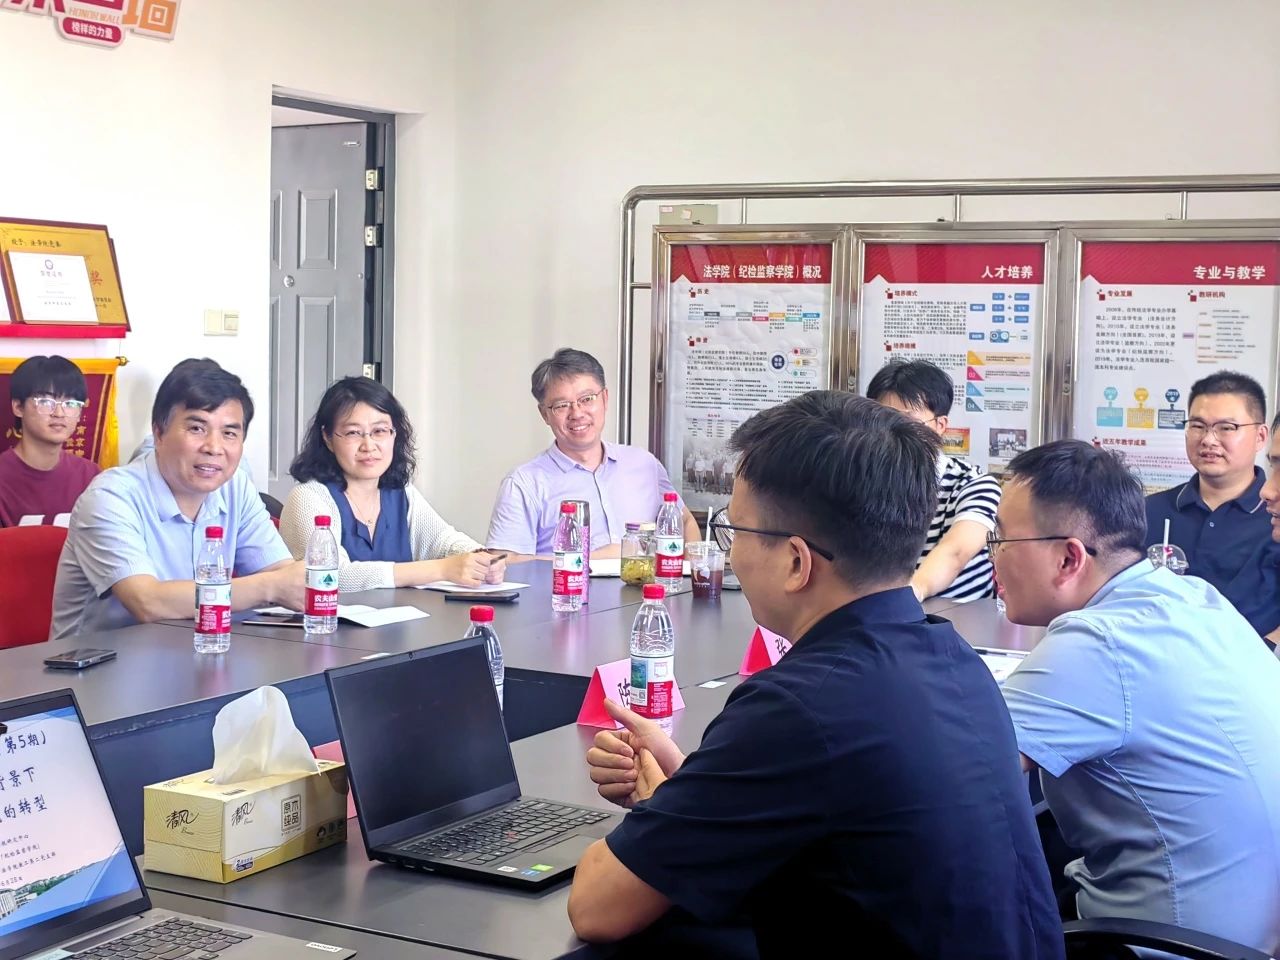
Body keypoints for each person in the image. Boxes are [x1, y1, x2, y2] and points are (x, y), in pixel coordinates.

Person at [568, 391, 1063, 957]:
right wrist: (697, 791)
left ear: (796, 561)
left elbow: (597, 906)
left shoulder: (800, 706)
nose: (731, 554)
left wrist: (664, 807)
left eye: (737, 532)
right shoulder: (951, 656)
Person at [994, 439, 1280, 951]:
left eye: (1001, 539)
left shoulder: (1098, 643)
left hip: (1159, 944)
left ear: (1069, 557)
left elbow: (953, 773)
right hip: (1248, 935)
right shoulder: (1193, 596)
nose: (991, 555)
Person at [49, 362, 304, 640]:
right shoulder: (110, 496)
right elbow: (146, 602)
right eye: (197, 428)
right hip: (101, 661)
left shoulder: (235, 487)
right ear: (158, 433)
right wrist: (269, 587)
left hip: (199, 653)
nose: (214, 448)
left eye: (229, 433)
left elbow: (283, 575)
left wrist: (290, 582)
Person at [279, 376, 504, 590]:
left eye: (379, 431)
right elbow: (331, 577)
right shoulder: (308, 498)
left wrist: (480, 558)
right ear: (328, 438)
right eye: (353, 433)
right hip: (327, 618)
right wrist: (442, 569)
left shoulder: (400, 492)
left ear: (395, 434)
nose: (368, 445)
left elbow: (443, 541)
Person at [486, 348, 700, 557]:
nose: (577, 413)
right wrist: (598, 558)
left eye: (587, 399)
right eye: (562, 405)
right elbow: (505, 563)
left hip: (646, 583)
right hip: (564, 584)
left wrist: (692, 569)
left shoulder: (644, 464)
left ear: (605, 399)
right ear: (545, 414)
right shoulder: (524, 483)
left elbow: (685, 521)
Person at [1144, 371, 1271, 634]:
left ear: (1260, 436)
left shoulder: (1274, 518)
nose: (1208, 439)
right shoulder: (1146, 512)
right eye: (1198, 426)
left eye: (1226, 427)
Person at [866, 358, 1000, 601]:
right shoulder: (865, 481)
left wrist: (906, 597)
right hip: (881, 613)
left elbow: (955, 552)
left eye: (907, 422)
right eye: (882, 420)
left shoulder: (973, 484)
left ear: (940, 425)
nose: (891, 433)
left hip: (959, 617)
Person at [0, 355, 99, 527]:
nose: (59, 413)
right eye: (45, 402)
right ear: (18, 407)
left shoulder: (91, 475)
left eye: (71, 403)